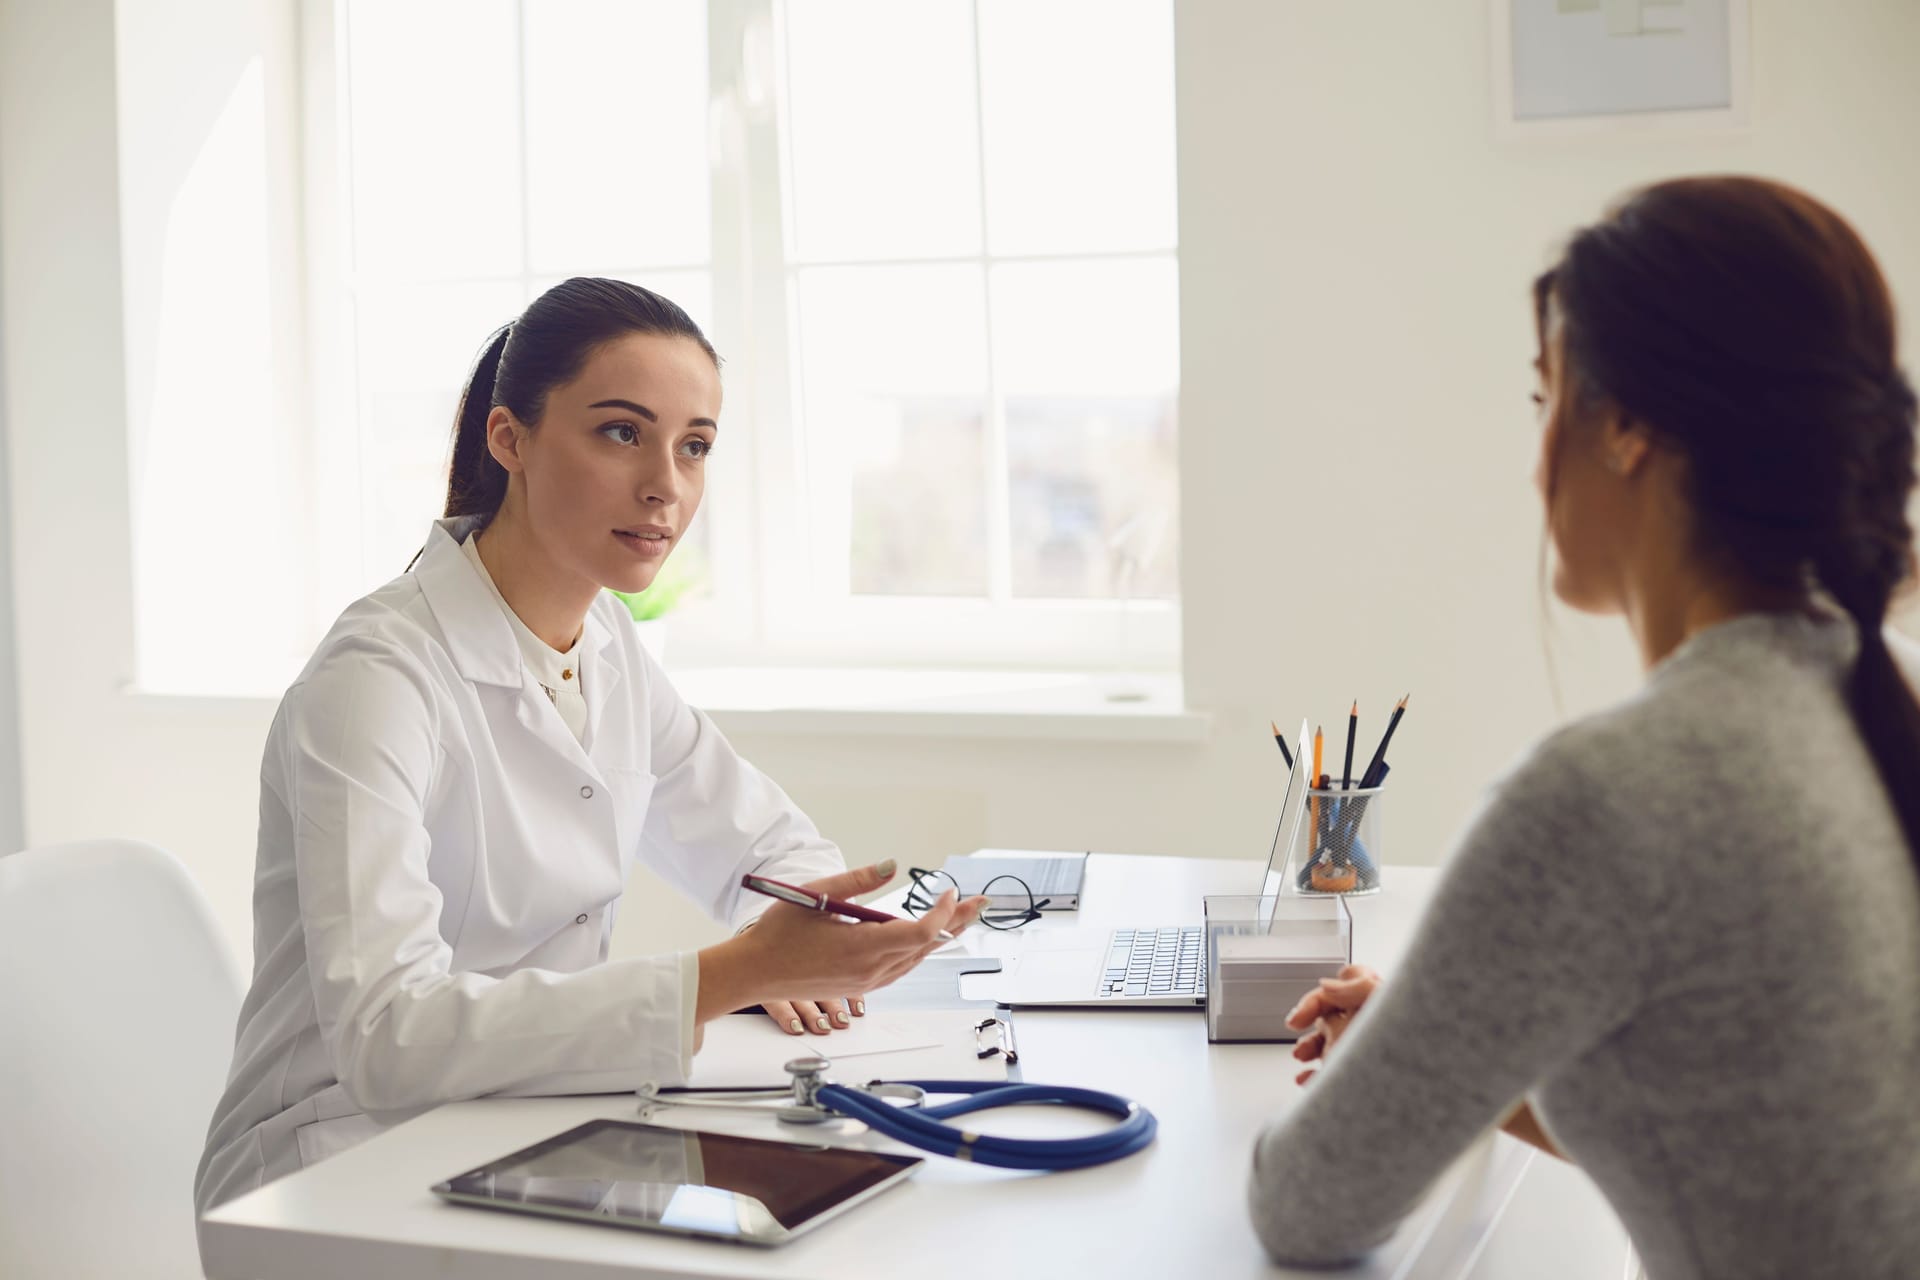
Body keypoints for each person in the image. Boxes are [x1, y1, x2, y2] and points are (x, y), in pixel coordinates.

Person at [194, 278, 984, 1217]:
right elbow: (388, 1038)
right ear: (509, 439)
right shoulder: (375, 679)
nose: (667, 485)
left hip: (524, 1125)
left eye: (695, 446)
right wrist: (738, 973)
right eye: (622, 432)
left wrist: (815, 941)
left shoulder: (605, 643)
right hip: (334, 1165)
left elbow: (768, 847)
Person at [1248, 178, 1920, 1278]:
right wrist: (1458, 1051)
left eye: (1542, 397)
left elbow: (1306, 1205)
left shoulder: (1610, 792)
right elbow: (1766, 1131)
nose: (1534, 456)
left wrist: (1423, 1064)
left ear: (1623, 429)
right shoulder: (1890, 694)